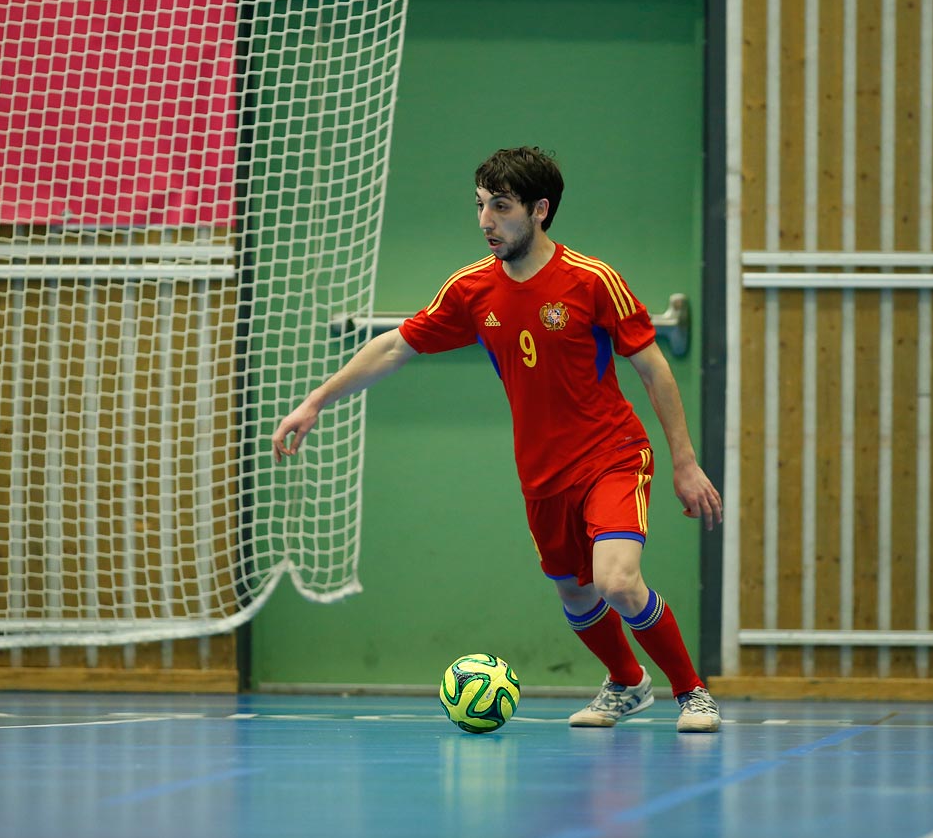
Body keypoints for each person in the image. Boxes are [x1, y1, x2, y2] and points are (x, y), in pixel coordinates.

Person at [273, 146, 725, 732]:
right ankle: (627, 682)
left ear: (540, 211)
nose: (486, 220)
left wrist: (684, 463)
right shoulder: (470, 290)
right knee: (576, 595)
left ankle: (691, 693)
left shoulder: (592, 281)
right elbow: (393, 346)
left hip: (612, 455)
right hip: (541, 471)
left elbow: (653, 367)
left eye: (501, 207)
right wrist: (315, 401)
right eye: (481, 205)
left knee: (616, 580)